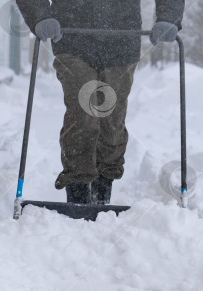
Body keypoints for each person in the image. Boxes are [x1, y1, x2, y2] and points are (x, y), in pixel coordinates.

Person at [16, 0, 185, 205]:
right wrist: (40, 15)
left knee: (111, 123)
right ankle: (78, 196)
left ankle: (102, 194)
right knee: (83, 116)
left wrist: (169, 17)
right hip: (72, 39)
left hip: (121, 42)